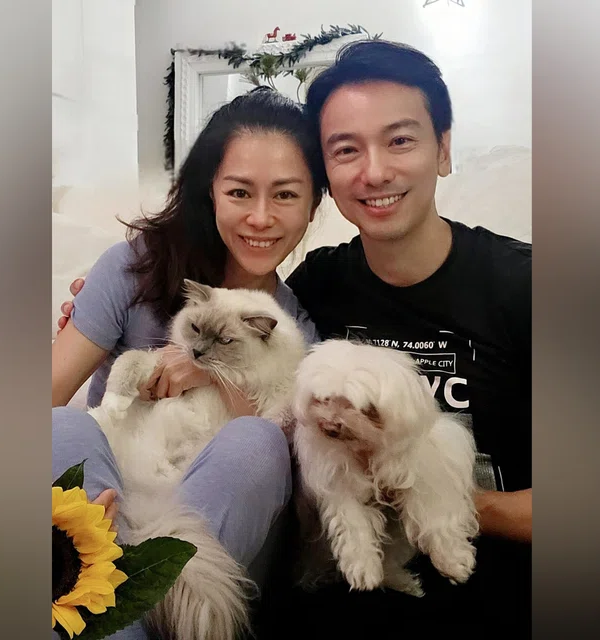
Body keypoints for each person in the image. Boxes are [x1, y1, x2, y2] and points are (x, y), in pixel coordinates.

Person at [61, 40, 531, 637]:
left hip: (466, 584)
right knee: (68, 429)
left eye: (400, 140)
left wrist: (427, 494)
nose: (375, 170)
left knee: (252, 446)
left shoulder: (524, 287)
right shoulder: (318, 288)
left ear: (443, 148)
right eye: (347, 150)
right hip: (260, 556)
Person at [52, 86, 327, 639]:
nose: (261, 217)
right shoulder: (135, 268)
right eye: (240, 192)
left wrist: (207, 367)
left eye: (286, 195)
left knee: (257, 442)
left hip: (215, 533)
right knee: (62, 424)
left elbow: (289, 465)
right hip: (110, 503)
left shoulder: (294, 328)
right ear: (211, 193)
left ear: (315, 202)